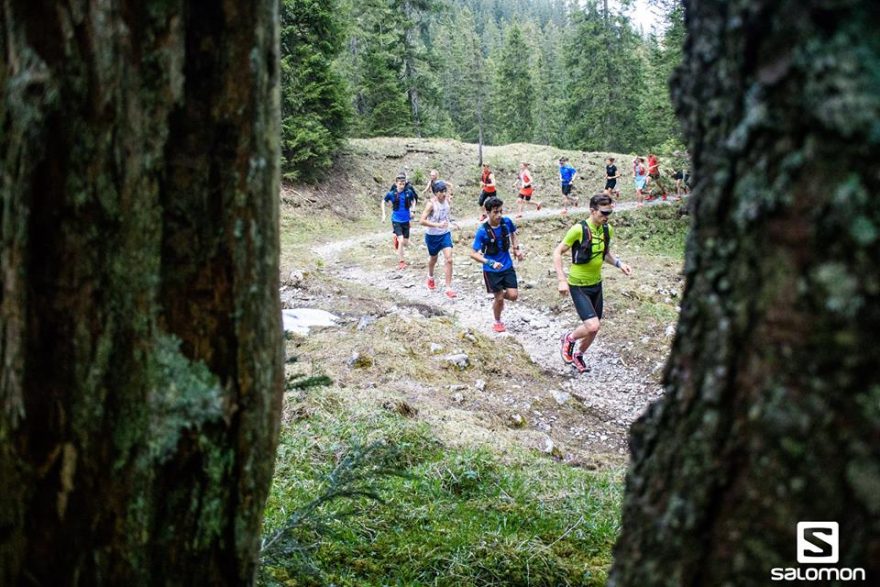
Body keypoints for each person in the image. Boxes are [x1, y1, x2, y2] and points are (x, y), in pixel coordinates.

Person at [553, 194, 632, 374]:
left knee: (595, 328)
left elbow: (605, 254)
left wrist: (620, 264)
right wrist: (561, 280)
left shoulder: (607, 229)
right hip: (578, 284)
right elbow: (557, 252)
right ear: (592, 211)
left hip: (596, 283)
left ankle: (578, 354)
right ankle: (569, 338)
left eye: (609, 213)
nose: (606, 217)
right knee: (592, 325)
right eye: (603, 213)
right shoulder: (578, 229)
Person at [470, 197, 524, 333]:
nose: (499, 215)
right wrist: (490, 262)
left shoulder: (506, 222)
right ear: (488, 212)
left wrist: (516, 248)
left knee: (513, 296)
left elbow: (513, 233)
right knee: (499, 298)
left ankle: (497, 298)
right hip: (491, 270)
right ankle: (497, 320)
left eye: (501, 211)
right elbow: (473, 254)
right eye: (495, 212)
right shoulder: (482, 231)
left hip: (507, 265)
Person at [419, 180, 457, 299]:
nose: (444, 194)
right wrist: (437, 225)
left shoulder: (447, 200)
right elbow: (421, 221)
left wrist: (452, 223)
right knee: (433, 259)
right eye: (441, 192)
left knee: (449, 259)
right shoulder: (431, 204)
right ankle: (430, 277)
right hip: (432, 236)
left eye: (445, 191)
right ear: (435, 193)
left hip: (445, 234)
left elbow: (446, 216)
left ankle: (448, 288)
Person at [381, 173, 419, 269]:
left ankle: (397, 240)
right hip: (396, 220)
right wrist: (384, 214)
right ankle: (401, 262)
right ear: (396, 183)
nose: (401, 185)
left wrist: (413, 210)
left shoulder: (408, 192)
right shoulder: (392, 194)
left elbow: (414, 200)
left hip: (406, 220)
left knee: (405, 242)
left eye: (403, 183)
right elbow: (383, 201)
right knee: (401, 241)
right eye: (400, 183)